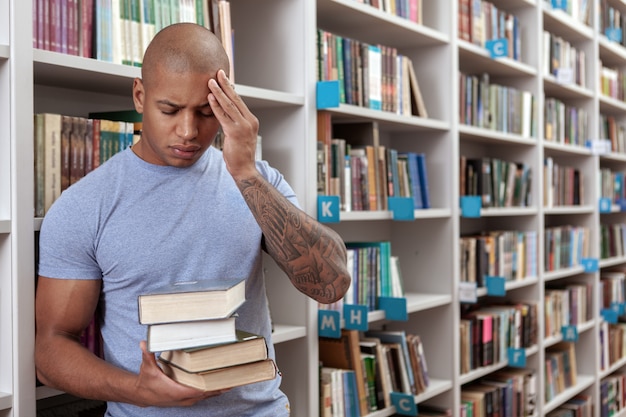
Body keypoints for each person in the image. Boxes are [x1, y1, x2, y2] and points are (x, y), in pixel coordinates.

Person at [35, 22, 351, 417]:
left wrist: (247, 174)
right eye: (169, 110)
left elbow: (331, 284)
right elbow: (50, 351)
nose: (188, 132)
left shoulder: (258, 182)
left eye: (205, 113)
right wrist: (139, 390)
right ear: (139, 95)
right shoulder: (84, 205)